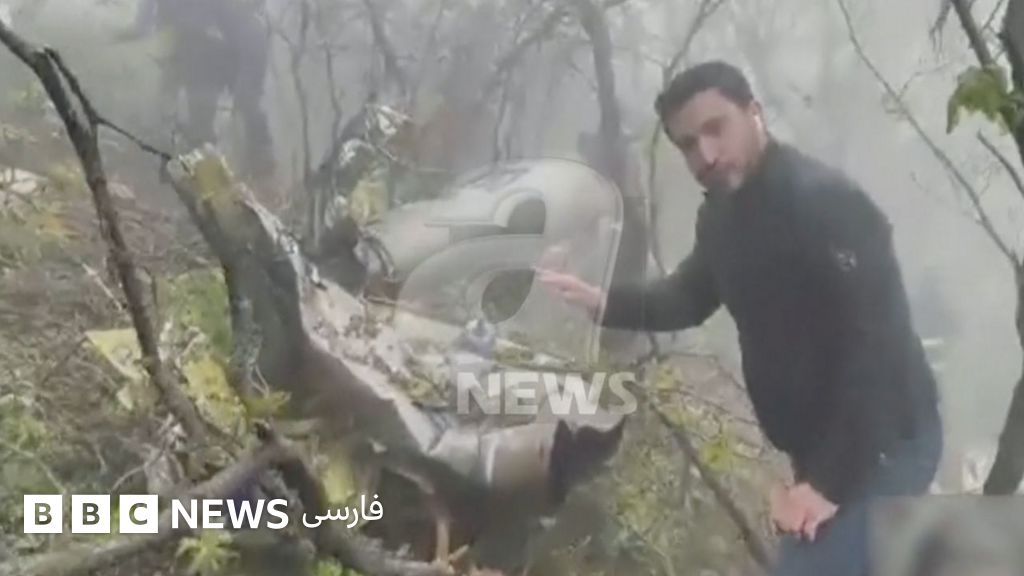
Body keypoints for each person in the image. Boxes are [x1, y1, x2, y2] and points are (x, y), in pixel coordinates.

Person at [537, 61, 943, 575]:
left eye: (716, 129)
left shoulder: (826, 203)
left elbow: (878, 347)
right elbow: (687, 297)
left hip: (885, 440)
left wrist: (828, 484)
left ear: (754, 113)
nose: (705, 155)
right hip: (818, 448)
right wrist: (601, 301)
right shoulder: (722, 216)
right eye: (688, 144)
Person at [116, 0, 275, 181]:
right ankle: (202, 173)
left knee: (245, 104)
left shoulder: (248, 27)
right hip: (203, 48)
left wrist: (142, 25)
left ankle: (258, 168)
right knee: (199, 119)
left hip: (222, 44)